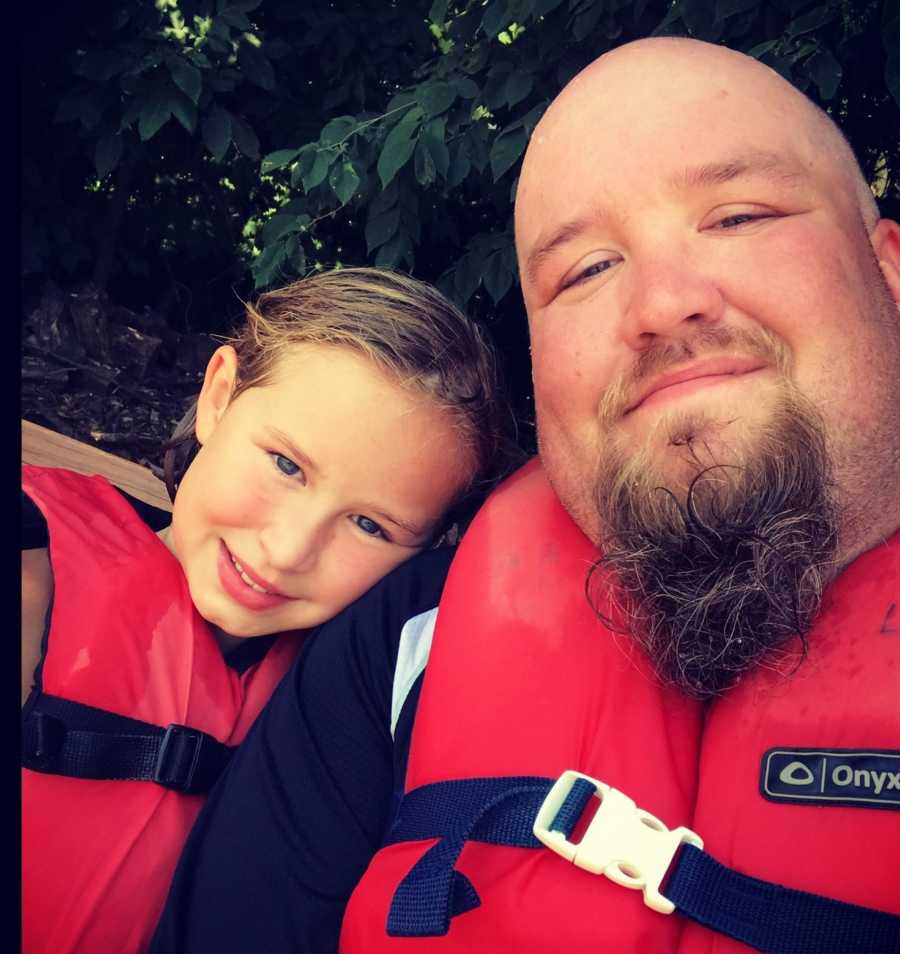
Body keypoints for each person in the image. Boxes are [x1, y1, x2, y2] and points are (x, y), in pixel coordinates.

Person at [150, 38, 900, 954]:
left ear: (889, 268)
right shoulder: (395, 647)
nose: (663, 303)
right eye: (584, 270)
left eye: (739, 216)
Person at [21, 266, 516, 954]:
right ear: (219, 396)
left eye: (370, 526)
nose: (287, 552)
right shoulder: (32, 567)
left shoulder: (352, 720)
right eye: (286, 464)